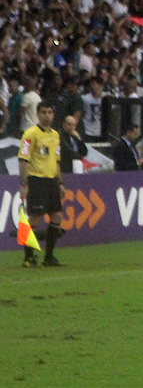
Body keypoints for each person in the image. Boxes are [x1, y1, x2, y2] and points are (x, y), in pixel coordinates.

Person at [18, 102, 65, 267]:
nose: (47, 115)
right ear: (37, 114)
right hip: (37, 180)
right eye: (44, 112)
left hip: (52, 181)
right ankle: (28, 257)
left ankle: (49, 257)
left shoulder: (55, 135)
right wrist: (24, 183)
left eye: (50, 112)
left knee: (57, 216)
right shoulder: (31, 134)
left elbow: (56, 160)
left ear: (53, 115)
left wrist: (60, 182)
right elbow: (23, 159)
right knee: (34, 218)